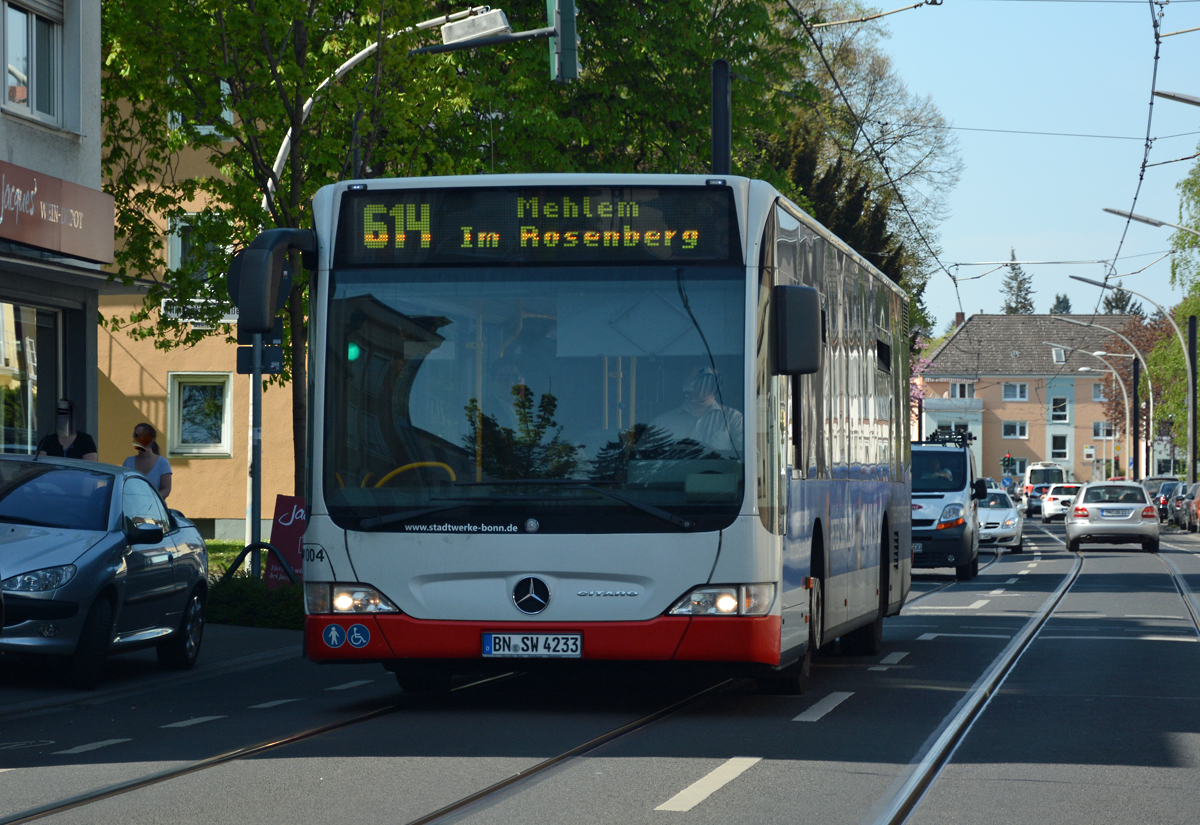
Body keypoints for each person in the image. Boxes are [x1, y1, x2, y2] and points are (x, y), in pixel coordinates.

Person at [650, 366, 744, 453]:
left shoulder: (733, 418)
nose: (704, 385)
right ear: (685, 383)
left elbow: (749, 458)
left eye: (711, 380)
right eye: (699, 378)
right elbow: (644, 461)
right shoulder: (661, 423)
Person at [124, 423, 173, 499]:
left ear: (151, 439)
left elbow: (166, 489)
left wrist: (151, 500)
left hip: (154, 509)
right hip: (131, 508)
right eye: (135, 436)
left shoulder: (163, 463)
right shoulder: (128, 462)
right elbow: (123, 487)